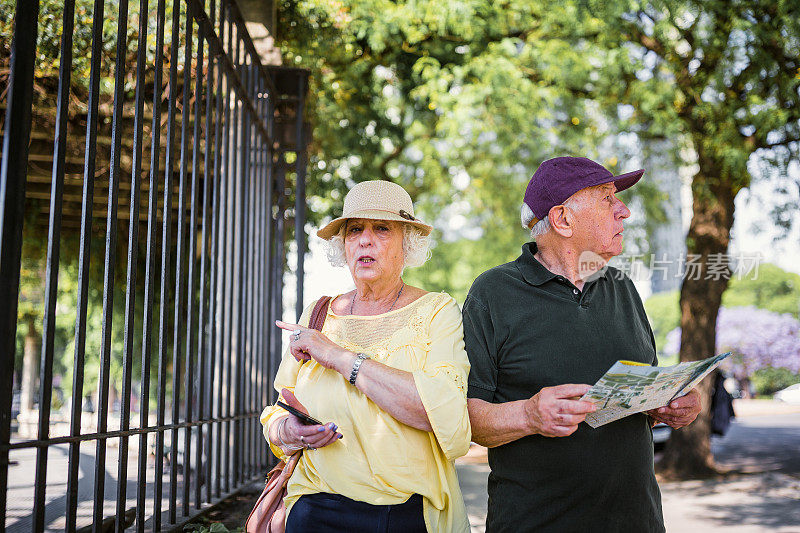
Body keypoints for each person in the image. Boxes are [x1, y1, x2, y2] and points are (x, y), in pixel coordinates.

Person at [462, 156, 702, 532]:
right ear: (562, 219)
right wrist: (528, 415)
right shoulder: (492, 293)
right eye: (607, 199)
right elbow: (466, 417)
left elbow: (643, 392)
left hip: (637, 521)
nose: (624, 211)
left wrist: (671, 404)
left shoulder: (622, 287)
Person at [260, 180, 471, 533]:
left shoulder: (437, 311)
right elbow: (278, 410)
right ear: (343, 245)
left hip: (405, 513)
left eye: (382, 228)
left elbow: (444, 412)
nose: (365, 239)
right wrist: (289, 430)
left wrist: (337, 356)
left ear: (408, 243)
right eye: (354, 229)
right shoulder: (318, 313)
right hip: (315, 508)